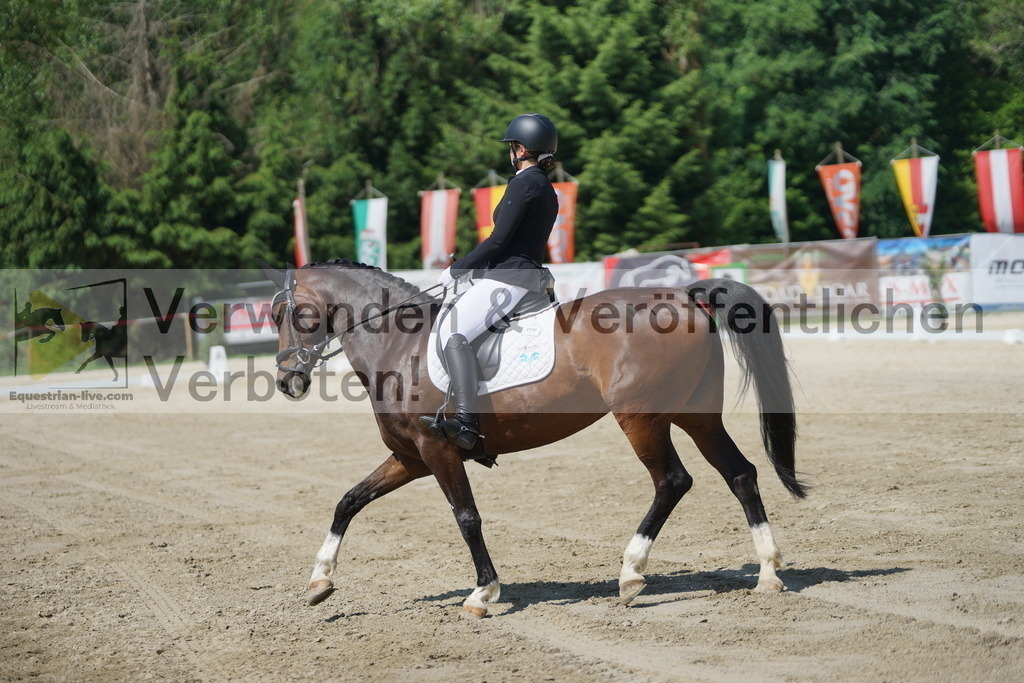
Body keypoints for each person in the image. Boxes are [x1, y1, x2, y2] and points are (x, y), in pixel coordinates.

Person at [426, 113, 560, 450]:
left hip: (509, 278)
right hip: (522, 275)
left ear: (520, 148)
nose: (511, 152)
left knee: (453, 334)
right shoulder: (546, 187)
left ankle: (467, 422)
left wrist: (460, 268)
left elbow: (499, 240)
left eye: (513, 146)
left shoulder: (524, 183)